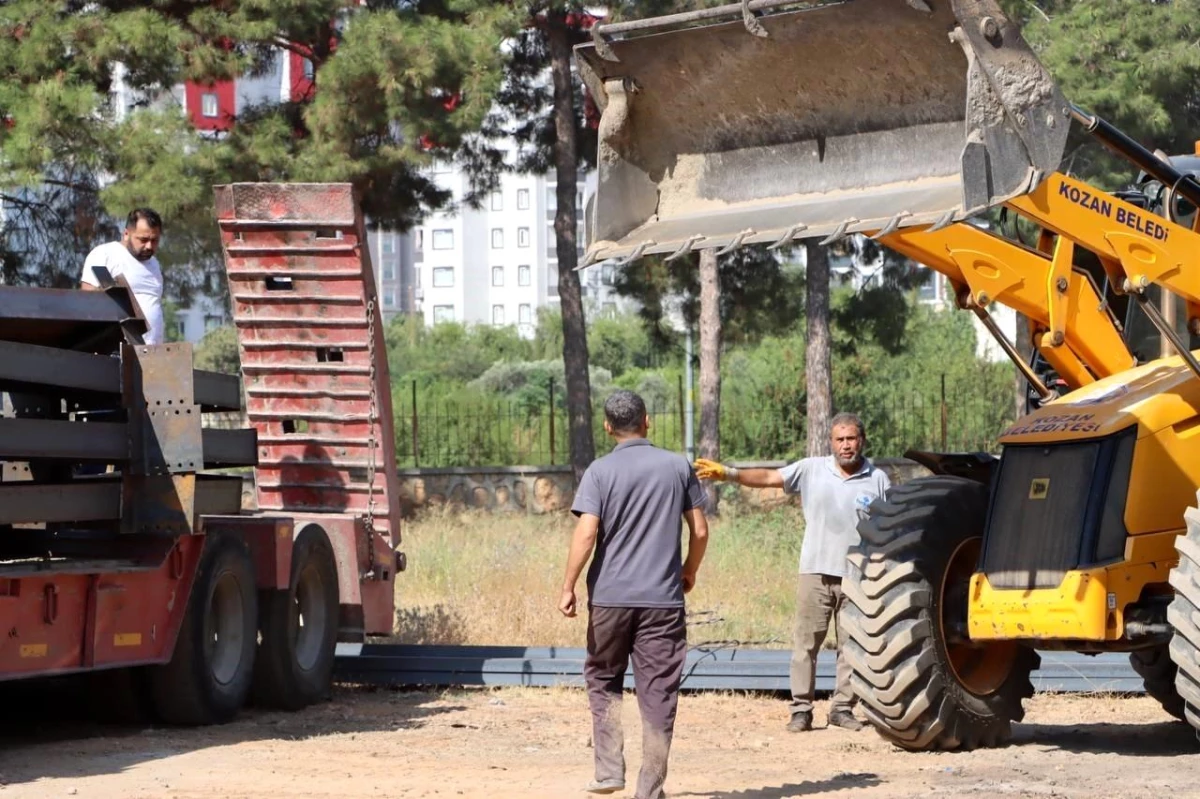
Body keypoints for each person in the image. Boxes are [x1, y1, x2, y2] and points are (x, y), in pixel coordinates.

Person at [694, 411, 890, 733]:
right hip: (814, 572)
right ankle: (801, 710)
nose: (845, 445)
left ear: (862, 440)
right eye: (839, 439)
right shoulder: (811, 469)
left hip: (858, 576)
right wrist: (728, 473)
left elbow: (887, 526)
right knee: (805, 645)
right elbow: (770, 478)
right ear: (831, 442)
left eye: (851, 438)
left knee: (852, 647)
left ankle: (842, 708)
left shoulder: (878, 479)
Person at [559, 389, 709, 799]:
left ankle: (609, 772)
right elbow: (699, 530)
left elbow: (586, 532)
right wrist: (688, 570)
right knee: (659, 690)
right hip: (663, 600)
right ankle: (650, 789)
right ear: (648, 421)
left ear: (608, 427)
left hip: (609, 599)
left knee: (604, 678)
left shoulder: (599, 471)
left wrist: (568, 585)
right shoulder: (678, 466)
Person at [81, 208, 165, 345]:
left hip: (152, 352)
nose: (149, 246)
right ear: (126, 234)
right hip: (117, 351)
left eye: (154, 240)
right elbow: (87, 302)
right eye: (143, 240)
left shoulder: (154, 264)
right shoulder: (105, 255)